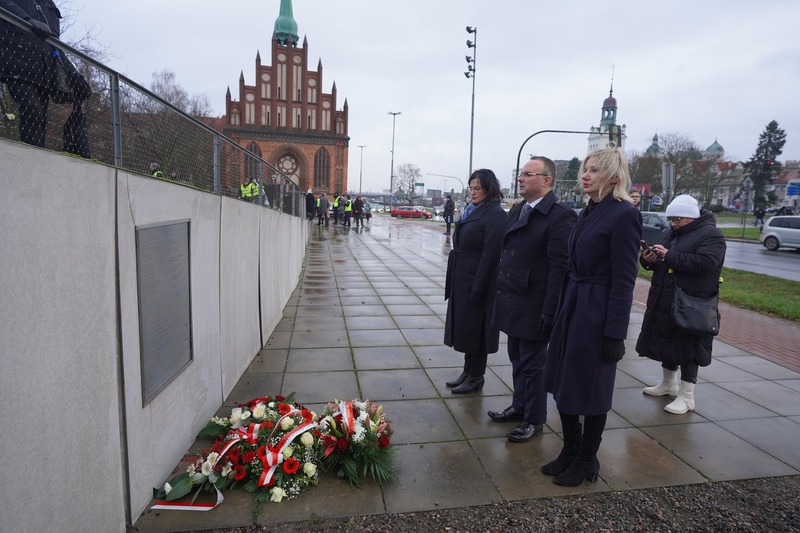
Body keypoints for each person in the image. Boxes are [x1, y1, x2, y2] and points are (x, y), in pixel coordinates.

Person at [542, 145, 642, 486]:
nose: (585, 175)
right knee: (563, 381)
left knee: (593, 386)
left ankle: (587, 458)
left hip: (597, 311)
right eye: (585, 169)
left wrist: (615, 332)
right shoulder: (590, 210)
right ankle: (570, 450)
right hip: (574, 305)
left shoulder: (623, 214)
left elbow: (624, 279)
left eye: (594, 170)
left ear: (613, 177)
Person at [488, 157, 577, 443]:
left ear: (546, 180)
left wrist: (550, 311)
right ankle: (519, 406)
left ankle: (534, 419)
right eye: (521, 174)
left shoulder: (560, 216)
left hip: (535, 303)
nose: (521, 178)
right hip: (513, 299)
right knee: (517, 359)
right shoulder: (518, 210)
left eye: (528, 174)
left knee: (533, 365)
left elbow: (559, 269)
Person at [636, 194, 726, 415]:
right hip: (666, 298)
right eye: (671, 219)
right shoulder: (672, 233)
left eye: (677, 219)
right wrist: (648, 259)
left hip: (692, 302)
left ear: (691, 216)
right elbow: (663, 259)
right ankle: (668, 383)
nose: (673, 223)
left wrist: (670, 256)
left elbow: (707, 263)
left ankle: (687, 396)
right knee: (669, 342)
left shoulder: (711, 235)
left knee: (689, 347)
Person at [443, 169, 507, 394]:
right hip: (463, 277)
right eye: (470, 188)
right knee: (466, 328)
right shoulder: (472, 210)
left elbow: (491, 256)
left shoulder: (496, 214)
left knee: (478, 331)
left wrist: (478, 288)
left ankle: (476, 375)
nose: (473, 192)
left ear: (489, 188)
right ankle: (467, 371)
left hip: (479, 280)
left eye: (477, 188)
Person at [0, 0, 60, 147]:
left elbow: (56, 45)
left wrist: (73, 73)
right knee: (33, 111)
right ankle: (30, 159)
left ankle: (36, 161)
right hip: (17, 64)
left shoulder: (50, 8)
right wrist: (27, 19)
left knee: (41, 122)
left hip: (44, 71)